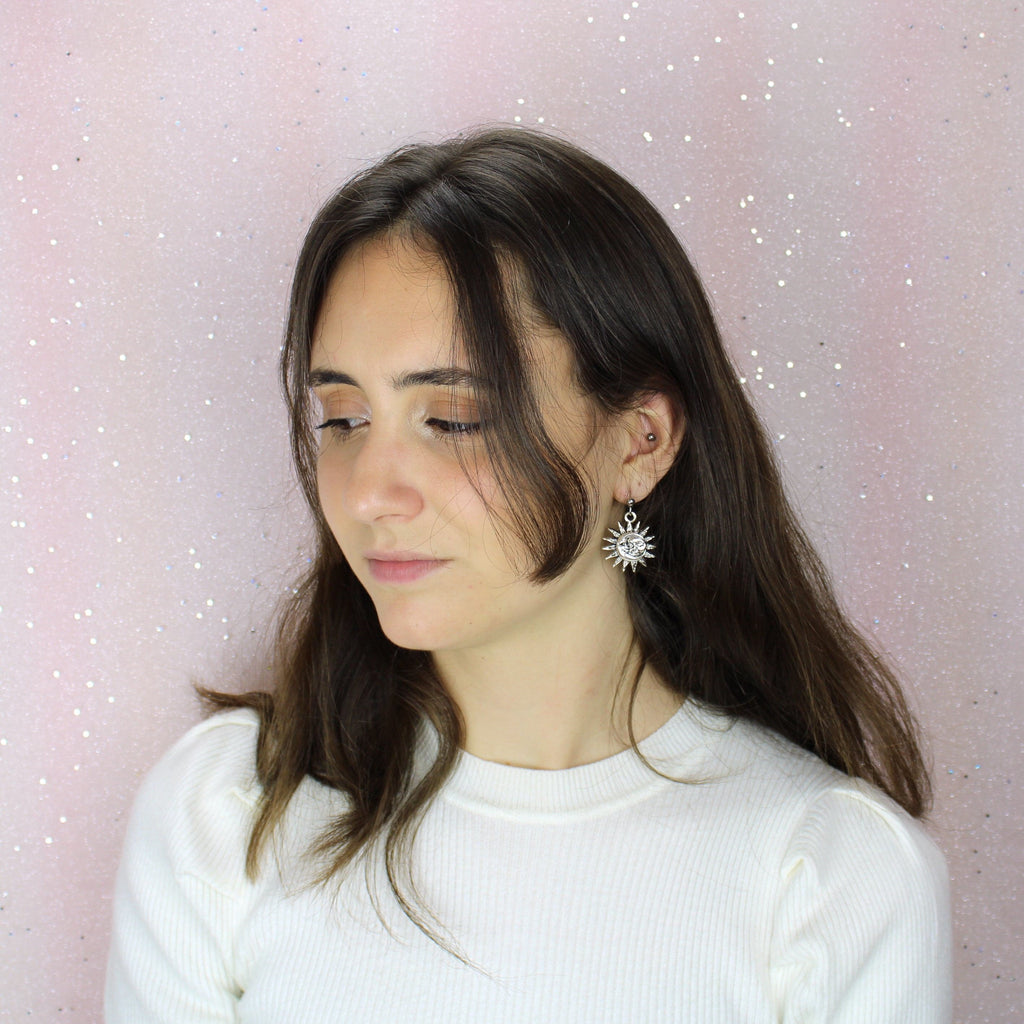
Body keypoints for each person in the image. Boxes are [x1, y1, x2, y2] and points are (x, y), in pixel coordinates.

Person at [105, 126, 952, 1022]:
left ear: (640, 441)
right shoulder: (229, 813)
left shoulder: (829, 877)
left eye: (455, 420)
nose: (371, 494)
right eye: (344, 419)